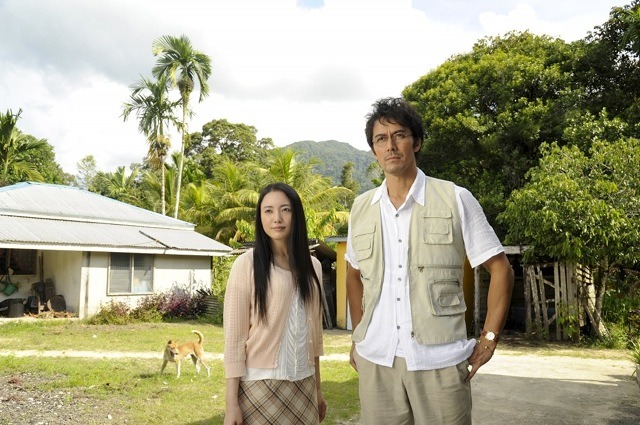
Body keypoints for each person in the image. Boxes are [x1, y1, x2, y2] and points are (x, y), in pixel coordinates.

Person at [346, 97, 514, 425]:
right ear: (373, 150)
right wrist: (358, 337)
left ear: (417, 142)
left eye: (399, 135)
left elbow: (500, 269)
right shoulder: (361, 208)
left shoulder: (455, 198)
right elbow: (353, 274)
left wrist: (489, 338)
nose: (390, 145)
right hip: (377, 361)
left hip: (440, 362)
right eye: (381, 138)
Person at [223, 182, 327, 425]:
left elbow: (314, 335)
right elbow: (234, 339)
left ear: (296, 214)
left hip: (304, 385)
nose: (277, 218)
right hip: (260, 386)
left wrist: (318, 389)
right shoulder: (246, 265)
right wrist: (231, 404)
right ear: (260, 217)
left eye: (285, 210)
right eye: (268, 211)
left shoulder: (313, 266)